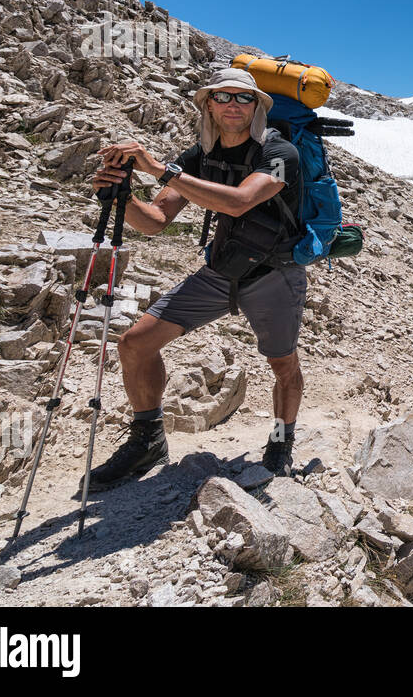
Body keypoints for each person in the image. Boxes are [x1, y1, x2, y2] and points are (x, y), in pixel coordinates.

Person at [81, 68, 307, 491]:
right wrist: (121, 196)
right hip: (221, 270)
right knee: (135, 343)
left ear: (257, 106)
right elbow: (154, 222)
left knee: (282, 364)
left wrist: (158, 169)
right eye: (223, 97)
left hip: (274, 273)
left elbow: (240, 203)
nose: (233, 105)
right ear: (208, 105)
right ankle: (147, 440)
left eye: (244, 98)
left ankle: (281, 441)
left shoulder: (280, 153)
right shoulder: (197, 157)